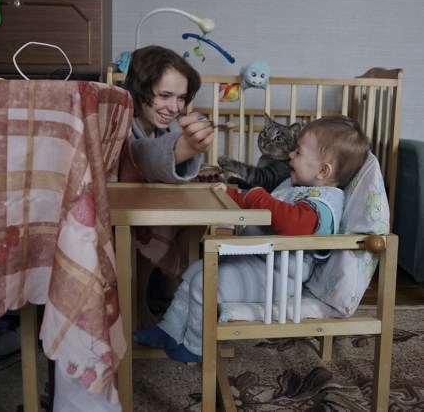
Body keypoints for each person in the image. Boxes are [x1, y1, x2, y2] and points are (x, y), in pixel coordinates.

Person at [132, 115, 371, 362]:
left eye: (298, 152)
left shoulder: (323, 204)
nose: (290, 154)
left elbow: (288, 221)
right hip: (259, 265)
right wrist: (232, 195)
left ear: (323, 170)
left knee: (205, 283)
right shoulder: (298, 187)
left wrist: (257, 195)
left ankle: (196, 346)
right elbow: (258, 203)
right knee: (196, 271)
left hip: (277, 279)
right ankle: (170, 329)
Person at [119, 45, 215, 325]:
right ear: (140, 90)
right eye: (164, 96)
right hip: (126, 215)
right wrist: (182, 148)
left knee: (196, 220)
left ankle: (170, 287)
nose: (174, 108)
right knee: (152, 227)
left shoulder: (167, 126)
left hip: (154, 206)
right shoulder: (121, 122)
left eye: (181, 98)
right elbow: (139, 155)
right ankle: (138, 301)